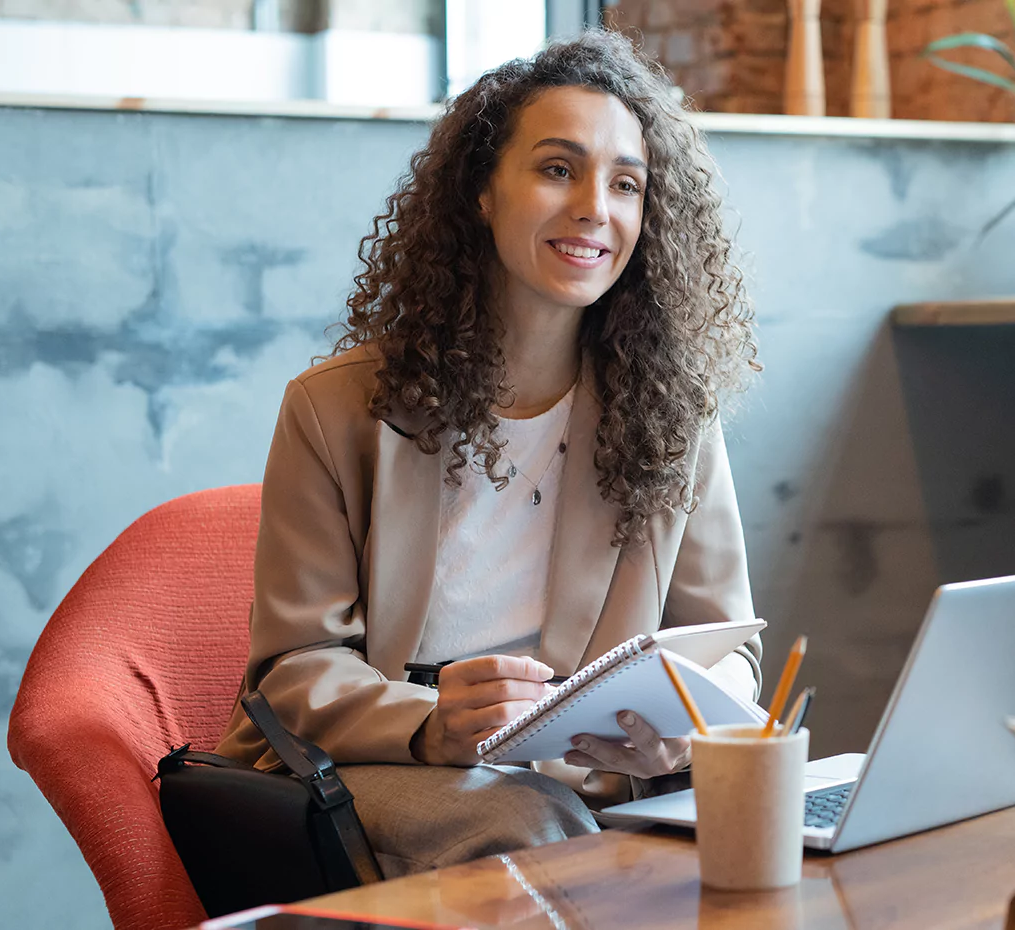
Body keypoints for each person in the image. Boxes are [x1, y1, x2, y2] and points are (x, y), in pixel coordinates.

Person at [214, 31, 763, 877]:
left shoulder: (673, 416)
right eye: (556, 168)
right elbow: (294, 671)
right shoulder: (334, 409)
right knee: (528, 823)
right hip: (383, 767)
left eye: (626, 184)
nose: (594, 207)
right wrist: (429, 723)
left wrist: (684, 734)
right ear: (480, 190)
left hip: (591, 788)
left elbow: (727, 647)